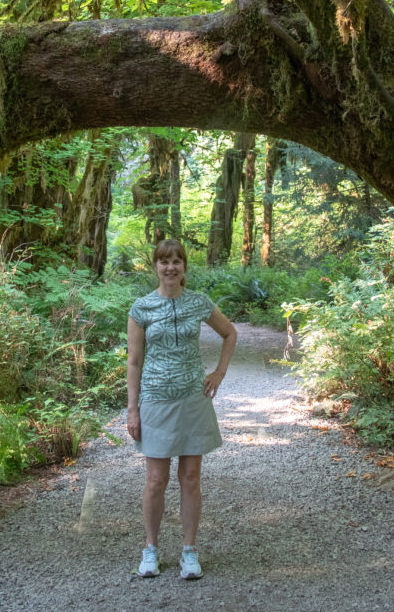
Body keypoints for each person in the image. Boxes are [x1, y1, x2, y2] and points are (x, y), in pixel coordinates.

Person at [126, 239, 237, 580]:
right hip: (155, 400)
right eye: (164, 261)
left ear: (184, 267)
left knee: (190, 478)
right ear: (156, 267)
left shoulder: (198, 303)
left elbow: (230, 333)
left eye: (176, 261)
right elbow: (134, 361)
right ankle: (151, 550)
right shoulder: (141, 308)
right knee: (156, 480)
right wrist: (132, 409)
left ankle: (189, 551)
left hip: (193, 398)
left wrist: (218, 373)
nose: (170, 267)